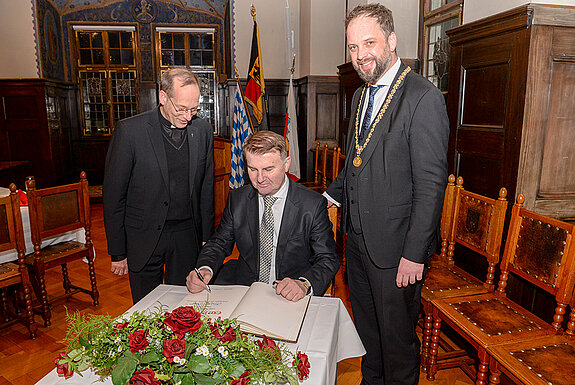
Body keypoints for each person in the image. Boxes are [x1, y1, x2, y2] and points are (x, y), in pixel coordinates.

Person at [324, 4, 449, 385]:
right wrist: (326, 200)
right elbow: (355, 164)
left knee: (396, 344)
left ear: (392, 41)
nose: (359, 55)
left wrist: (414, 254)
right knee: (369, 335)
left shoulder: (422, 98)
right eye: (352, 47)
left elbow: (430, 187)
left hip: (397, 252)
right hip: (359, 245)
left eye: (369, 43)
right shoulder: (362, 96)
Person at [186, 131, 339, 301]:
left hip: (290, 293)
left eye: (268, 169)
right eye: (252, 169)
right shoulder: (238, 199)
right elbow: (219, 243)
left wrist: (304, 284)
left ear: (286, 164)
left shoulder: (311, 204)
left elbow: (328, 259)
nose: (260, 179)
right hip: (245, 289)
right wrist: (205, 268)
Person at [104, 68, 214, 304]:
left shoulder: (202, 130)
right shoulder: (130, 131)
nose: (188, 116)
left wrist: (207, 237)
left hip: (186, 235)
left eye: (194, 109)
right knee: (146, 310)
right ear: (163, 98)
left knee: (184, 306)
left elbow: (206, 188)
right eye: (182, 109)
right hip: (143, 235)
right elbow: (114, 197)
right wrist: (118, 252)